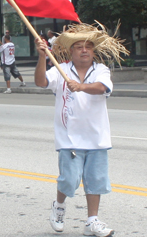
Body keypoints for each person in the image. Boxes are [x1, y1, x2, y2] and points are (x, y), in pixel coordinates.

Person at [34, 23, 128, 236]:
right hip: (69, 139)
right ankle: (59, 206)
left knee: (95, 182)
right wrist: (42, 57)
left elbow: (102, 88)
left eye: (88, 46)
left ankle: (92, 221)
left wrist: (81, 86)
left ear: (93, 51)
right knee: (69, 179)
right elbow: (41, 82)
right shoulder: (61, 70)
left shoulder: (101, 70)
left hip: (97, 137)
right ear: (71, 51)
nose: (84, 50)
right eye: (78, 46)